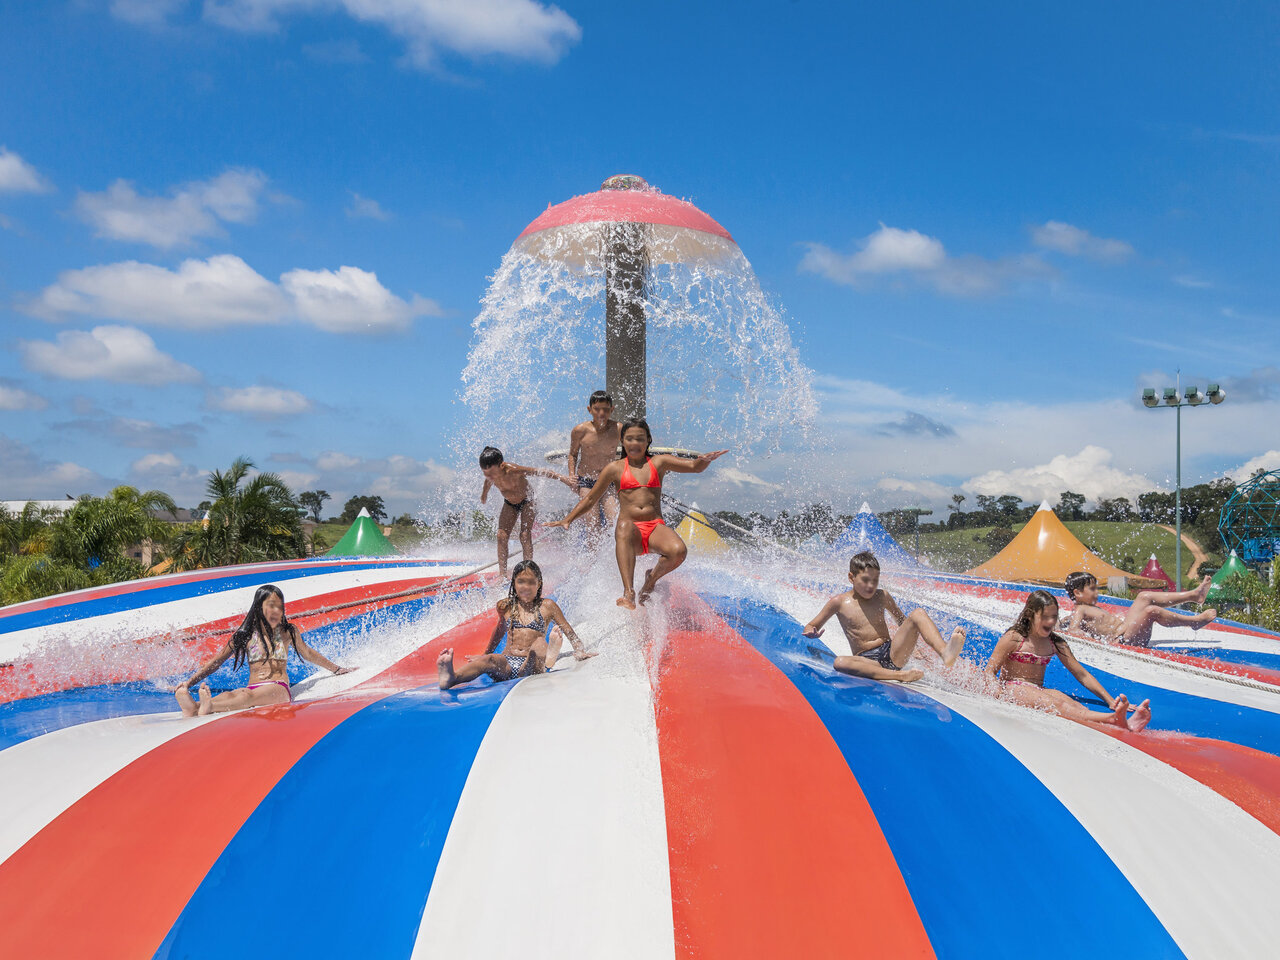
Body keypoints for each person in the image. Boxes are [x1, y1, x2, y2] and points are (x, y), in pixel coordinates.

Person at [544, 418, 727, 609]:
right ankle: (628, 592)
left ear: (648, 440)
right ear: (622, 441)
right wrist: (568, 519)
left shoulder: (659, 462)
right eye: (629, 439)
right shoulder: (614, 468)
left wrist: (704, 461)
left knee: (678, 552)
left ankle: (650, 580)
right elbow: (590, 499)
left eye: (640, 439)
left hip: (655, 527)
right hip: (630, 534)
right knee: (623, 524)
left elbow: (693, 467)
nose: (635, 443)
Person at [175, 584, 353, 717]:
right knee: (234, 693)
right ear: (259, 607)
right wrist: (189, 683)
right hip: (253, 687)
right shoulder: (245, 635)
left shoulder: (287, 631)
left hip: (279, 688)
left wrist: (336, 669)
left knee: (246, 695)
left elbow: (308, 653)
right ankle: (195, 707)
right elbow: (217, 661)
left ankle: (208, 707)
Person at [986, 589, 1151, 732]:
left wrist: (1109, 701)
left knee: (1075, 706)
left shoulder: (1056, 643)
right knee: (1059, 706)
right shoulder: (1014, 638)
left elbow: (1082, 674)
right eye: (1045, 617)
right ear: (1030, 615)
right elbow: (990, 670)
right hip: (1013, 689)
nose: (1051, 622)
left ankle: (1124, 723)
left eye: (1054, 616)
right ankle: (1113, 719)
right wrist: (995, 691)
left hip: (1038, 689)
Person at [802, 551, 965, 682]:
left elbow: (902, 621)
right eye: (865, 580)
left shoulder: (882, 596)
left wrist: (913, 649)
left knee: (918, 614)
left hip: (892, 653)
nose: (871, 586)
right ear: (851, 577)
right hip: (867, 661)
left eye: (875, 580)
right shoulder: (838, 602)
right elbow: (811, 624)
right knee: (839, 662)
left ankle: (945, 652)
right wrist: (811, 631)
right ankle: (899, 676)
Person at [437, 560, 595, 689]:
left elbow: (567, 628)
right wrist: (485, 654)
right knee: (490, 660)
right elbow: (499, 632)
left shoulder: (547, 606)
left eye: (531, 582)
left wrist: (579, 650)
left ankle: (550, 657)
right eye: (521, 582)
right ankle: (451, 678)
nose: (525, 587)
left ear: (539, 584)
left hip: (531, 666)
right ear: (514, 583)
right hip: (507, 664)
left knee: (539, 643)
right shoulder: (505, 606)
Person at [479, 446, 576, 575]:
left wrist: (565, 479)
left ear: (501, 465)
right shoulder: (490, 477)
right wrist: (484, 495)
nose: (489, 476)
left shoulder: (514, 470)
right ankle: (502, 574)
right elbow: (487, 484)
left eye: (491, 473)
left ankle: (528, 570)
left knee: (524, 535)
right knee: (501, 536)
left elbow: (542, 471)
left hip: (528, 501)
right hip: (509, 504)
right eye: (485, 473)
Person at [1064, 571, 1216, 646]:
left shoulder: (1088, 607)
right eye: (1092, 589)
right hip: (1124, 640)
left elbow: (1064, 622)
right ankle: (1194, 622)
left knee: (1144, 596)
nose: (1097, 592)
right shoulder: (1080, 610)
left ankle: (1193, 595)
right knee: (1151, 611)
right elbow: (1073, 628)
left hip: (1127, 630)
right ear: (1077, 593)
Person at [567, 390, 623, 534]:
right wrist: (571, 476)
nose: (601, 413)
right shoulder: (580, 430)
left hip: (607, 480)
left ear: (612, 409)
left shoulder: (618, 428)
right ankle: (592, 556)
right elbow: (573, 454)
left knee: (615, 521)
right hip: (586, 481)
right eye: (597, 409)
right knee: (592, 523)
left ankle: (614, 555)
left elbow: (630, 451)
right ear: (589, 409)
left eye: (605, 409)